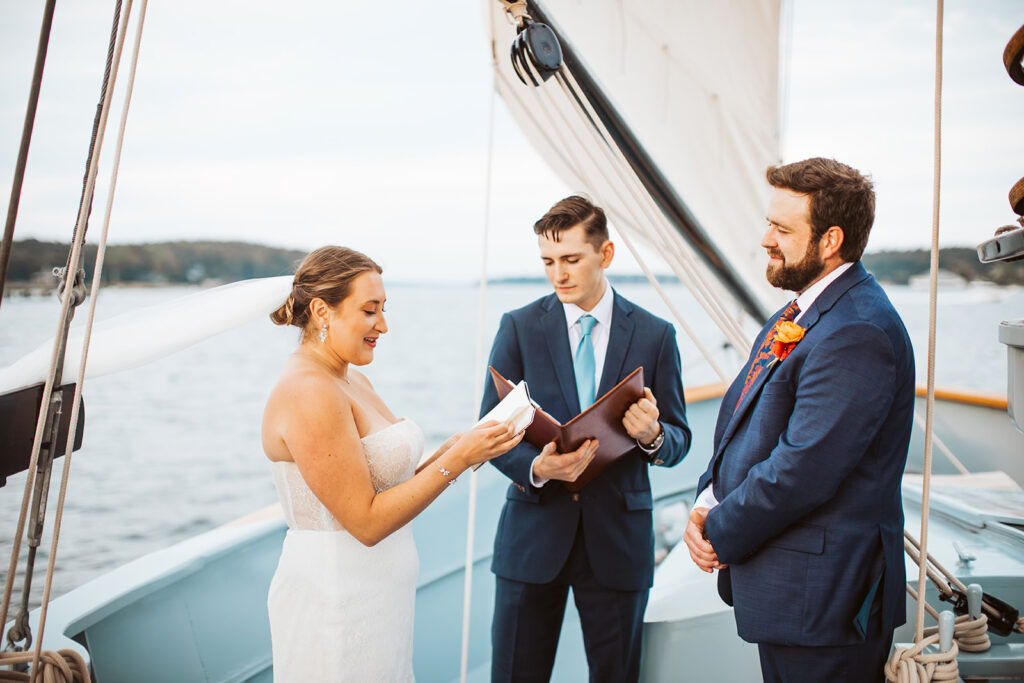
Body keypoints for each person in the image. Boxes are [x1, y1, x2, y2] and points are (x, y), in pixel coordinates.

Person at [683, 158, 915, 683]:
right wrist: (707, 499)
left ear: (830, 239)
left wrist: (715, 529)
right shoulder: (800, 314)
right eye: (769, 223)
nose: (766, 239)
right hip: (795, 595)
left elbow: (803, 467)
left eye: (782, 228)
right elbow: (745, 419)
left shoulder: (858, 330)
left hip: (826, 603)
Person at [262, 246, 523, 682]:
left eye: (383, 309)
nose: (383, 325)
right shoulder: (308, 391)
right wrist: (457, 461)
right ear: (322, 311)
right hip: (338, 600)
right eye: (370, 311)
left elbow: (380, 486)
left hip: (380, 598)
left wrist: (458, 447)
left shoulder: (349, 377)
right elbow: (364, 521)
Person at [480, 196, 692, 682]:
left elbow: (679, 438)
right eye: (549, 262)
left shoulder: (657, 336)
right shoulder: (518, 327)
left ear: (607, 254)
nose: (559, 274)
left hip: (618, 542)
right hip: (531, 539)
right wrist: (539, 467)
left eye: (571, 260)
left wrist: (653, 435)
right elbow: (490, 430)